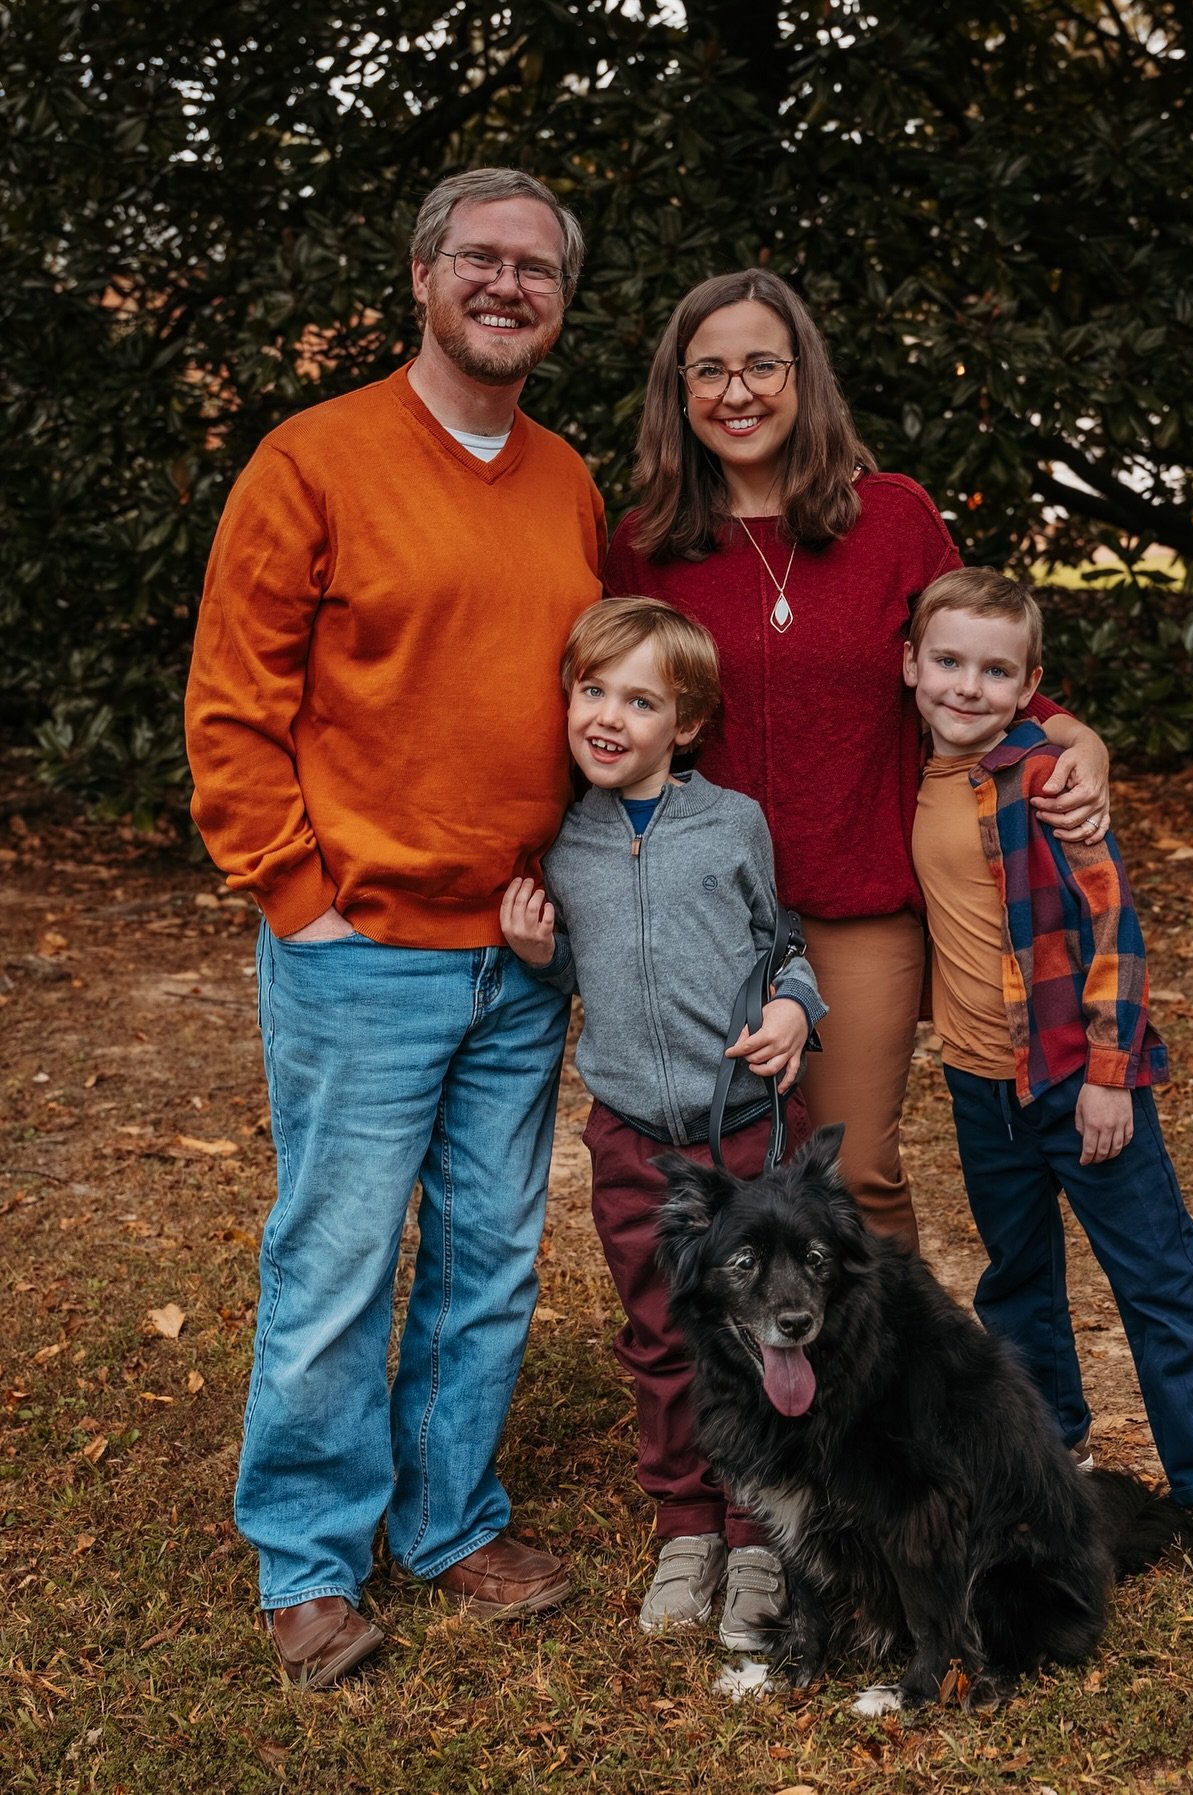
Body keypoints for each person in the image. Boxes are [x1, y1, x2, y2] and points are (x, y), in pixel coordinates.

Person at [184, 168, 607, 1688]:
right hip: (360, 946)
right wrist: (298, 893)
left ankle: (448, 1520)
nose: (509, 286)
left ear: (561, 301)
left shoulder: (565, 479)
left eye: (537, 269)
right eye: (481, 260)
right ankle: (306, 1559)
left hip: (520, 952)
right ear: (423, 277)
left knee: (490, 1255)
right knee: (339, 1256)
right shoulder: (315, 459)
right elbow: (234, 710)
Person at [604, 268, 1112, 1253]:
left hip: (858, 898)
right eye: (708, 370)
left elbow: (973, 665)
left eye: (761, 364)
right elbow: (608, 711)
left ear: (804, 376)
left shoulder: (891, 518)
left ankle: (893, 1394)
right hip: (701, 910)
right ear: (678, 391)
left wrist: (1072, 734)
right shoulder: (645, 544)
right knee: (727, 1176)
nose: (736, 390)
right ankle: (760, 1399)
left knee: (853, 1169)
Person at [904, 566, 1193, 1605]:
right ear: (911, 666)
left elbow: (1114, 930)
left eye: (993, 670)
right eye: (947, 663)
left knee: (1160, 1281)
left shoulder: (1045, 780)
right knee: (1016, 1283)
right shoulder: (910, 767)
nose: (966, 687)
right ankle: (1049, 1456)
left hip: (1080, 1081)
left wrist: (1111, 1076)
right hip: (983, 1086)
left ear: (1031, 686)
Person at [500, 596, 825, 1648]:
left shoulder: (730, 822)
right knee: (659, 1331)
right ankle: (686, 1527)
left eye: (639, 700)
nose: (608, 716)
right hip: (636, 1137)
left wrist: (791, 1010)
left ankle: (761, 1530)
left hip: (746, 1141)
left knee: (757, 1329)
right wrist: (539, 953)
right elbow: (580, 976)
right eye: (591, 691)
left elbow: (782, 947)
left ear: (683, 724)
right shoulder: (562, 837)